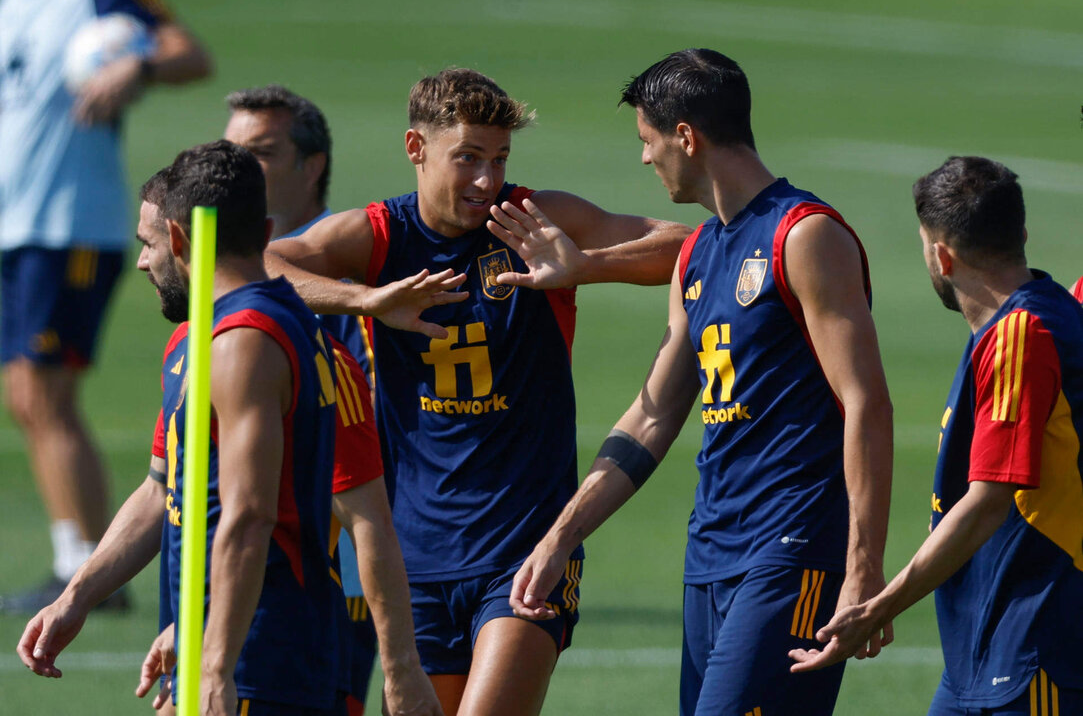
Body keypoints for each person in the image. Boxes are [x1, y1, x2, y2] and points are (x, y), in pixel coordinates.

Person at [264, 67, 689, 716]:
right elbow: (264, 267)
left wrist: (583, 267)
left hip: (525, 544)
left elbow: (692, 243)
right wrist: (367, 299)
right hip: (414, 556)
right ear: (416, 149)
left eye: (498, 159)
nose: (486, 180)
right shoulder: (379, 237)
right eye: (466, 158)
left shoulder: (530, 221)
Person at [506, 49, 894, 716]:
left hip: (791, 546)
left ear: (685, 136)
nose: (644, 160)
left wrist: (862, 568)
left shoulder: (804, 236)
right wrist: (560, 536)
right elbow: (650, 418)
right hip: (710, 553)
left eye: (647, 142)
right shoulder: (698, 251)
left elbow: (866, 404)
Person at [17, 141, 439, 716]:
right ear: (265, 233)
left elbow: (251, 517)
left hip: (260, 665)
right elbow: (161, 489)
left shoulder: (246, 346)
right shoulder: (204, 340)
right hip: (222, 649)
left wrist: (216, 665)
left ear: (184, 240)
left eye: (149, 244)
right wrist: (77, 598)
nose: (142, 262)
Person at [789, 156, 1083, 714]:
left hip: (1036, 648)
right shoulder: (1025, 321)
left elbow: (987, 501)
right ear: (1021, 233)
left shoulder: (1023, 334)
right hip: (984, 651)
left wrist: (878, 608)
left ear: (940, 256)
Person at [0, 0, 212, 613]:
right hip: (16, 229)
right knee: (26, 397)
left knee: (44, 393)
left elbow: (190, 54)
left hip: (67, 225)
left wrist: (136, 68)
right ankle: (80, 557)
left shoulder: (95, 0)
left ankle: (87, 564)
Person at [222, 83, 377, 715]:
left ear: (312, 166)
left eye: (260, 153)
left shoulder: (340, 283)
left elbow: (372, 434)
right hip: (247, 548)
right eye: (230, 153)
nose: (238, 170)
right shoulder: (226, 277)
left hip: (324, 564)